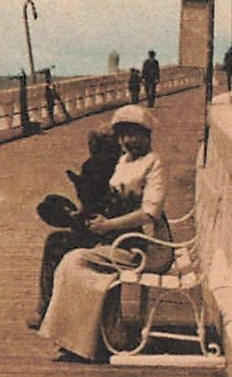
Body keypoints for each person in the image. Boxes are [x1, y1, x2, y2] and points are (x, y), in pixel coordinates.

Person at [39, 105, 171, 362]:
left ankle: (85, 342)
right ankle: (99, 336)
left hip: (141, 245)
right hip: (120, 237)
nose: (127, 141)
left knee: (75, 261)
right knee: (75, 261)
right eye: (122, 136)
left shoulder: (155, 163)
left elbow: (149, 214)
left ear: (147, 134)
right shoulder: (124, 161)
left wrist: (108, 226)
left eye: (133, 134)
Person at [29, 129, 121, 328]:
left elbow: (92, 206)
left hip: (109, 238)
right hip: (121, 235)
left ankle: (45, 307)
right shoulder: (124, 165)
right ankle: (48, 306)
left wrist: (75, 213)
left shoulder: (94, 165)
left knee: (55, 243)